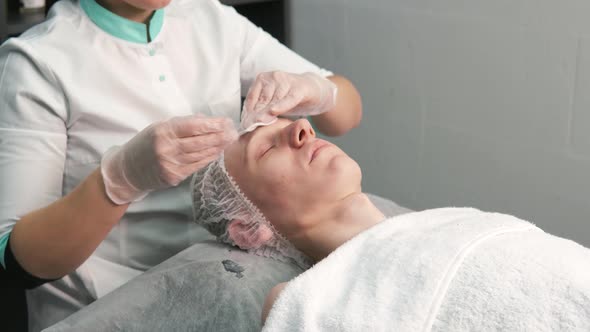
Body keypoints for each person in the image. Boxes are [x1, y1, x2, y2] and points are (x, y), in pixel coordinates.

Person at [0, 0, 362, 330]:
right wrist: (118, 180)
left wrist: (317, 89)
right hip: (107, 310)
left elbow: (345, 114)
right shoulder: (39, 63)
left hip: (226, 287)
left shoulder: (209, 19)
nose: (301, 131)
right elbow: (21, 259)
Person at [191, 118, 590, 331]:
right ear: (247, 228)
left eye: (289, 122)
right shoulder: (309, 299)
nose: (303, 128)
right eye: (267, 147)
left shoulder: (452, 219)